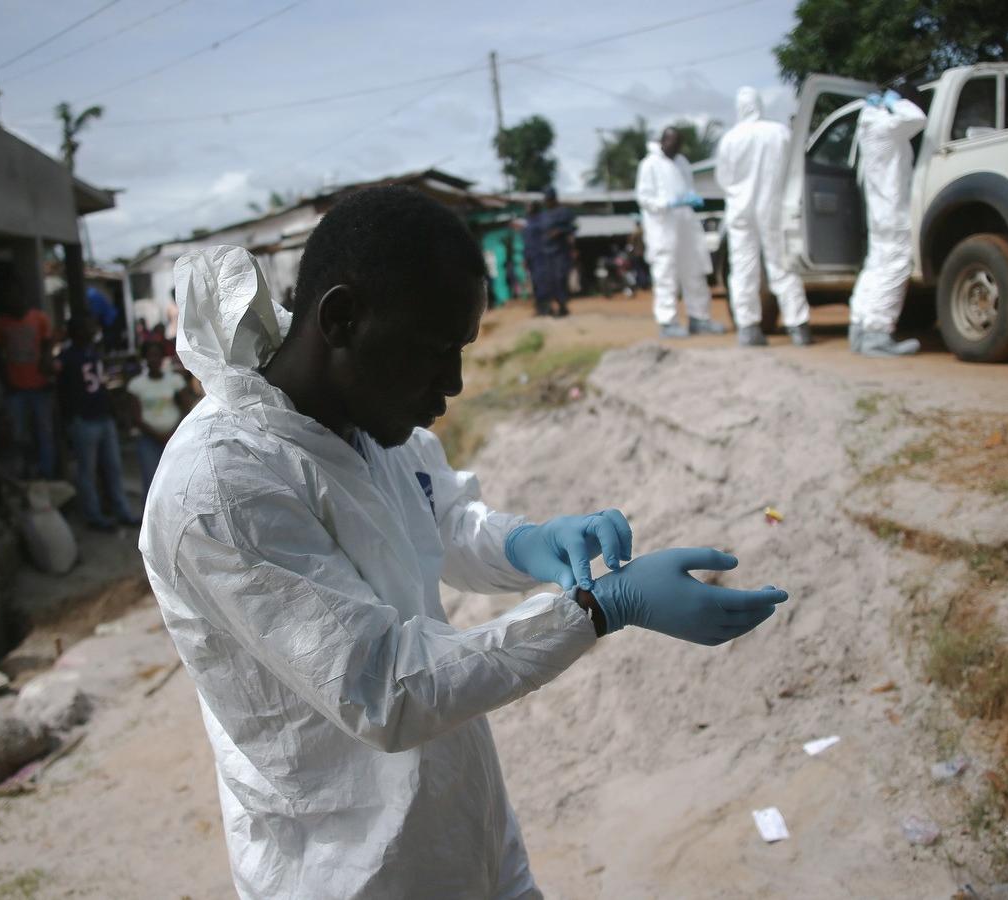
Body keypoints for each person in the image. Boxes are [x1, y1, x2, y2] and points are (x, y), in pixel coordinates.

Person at [141, 186, 788, 898]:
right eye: (434, 350)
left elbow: (443, 521)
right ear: (342, 319)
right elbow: (384, 687)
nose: (451, 383)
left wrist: (531, 543)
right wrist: (601, 608)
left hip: (461, 827)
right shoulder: (223, 489)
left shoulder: (362, 419)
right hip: (348, 869)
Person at [715, 87, 813, 347]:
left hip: (740, 211)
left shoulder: (730, 139)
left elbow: (723, 179)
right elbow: (793, 167)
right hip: (772, 207)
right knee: (781, 265)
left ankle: (748, 328)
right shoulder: (779, 132)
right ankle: (798, 327)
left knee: (743, 269)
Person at [849, 89, 927, 357]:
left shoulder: (867, 125)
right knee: (895, 267)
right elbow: (918, 118)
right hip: (893, 210)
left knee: (875, 267)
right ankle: (878, 335)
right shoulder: (887, 124)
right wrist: (898, 103)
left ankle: (859, 328)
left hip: (879, 212)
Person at [635, 126, 725, 338]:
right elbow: (644, 198)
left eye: (678, 144)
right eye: (671, 143)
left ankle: (699, 318)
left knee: (695, 272)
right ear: (663, 141)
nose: (674, 147)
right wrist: (669, 203)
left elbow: (687, 189)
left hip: (686, 227)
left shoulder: (682, 162)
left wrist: (689, 199)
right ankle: (668, 322)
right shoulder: (650, 164)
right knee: (665, 275)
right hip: (663, 229)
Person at [59, 315, 139, 531]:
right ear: (76, 332)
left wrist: (113, 411)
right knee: (88, 471)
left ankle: (121, 511)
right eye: (86, 327)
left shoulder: (93, 354)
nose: (92, 330)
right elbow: (63, 393)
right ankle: (94, 516)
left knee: (113, 468)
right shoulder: (67, 357)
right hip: (84, 421)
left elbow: (102, 386)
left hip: (103, 418)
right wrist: (71, 420)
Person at [0, 284, 57, 477]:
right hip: (15, 389)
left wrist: (46, 367)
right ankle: (23, 474)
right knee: (18, 435)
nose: (15, 300)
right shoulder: (0, 324)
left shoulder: (39, 319)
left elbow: (48, 346)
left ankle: (47, 474)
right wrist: (5, 383)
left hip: (39, 387)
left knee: (45, 434)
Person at [124, 340, 186, 499]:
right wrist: (158, 436)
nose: (154, 359)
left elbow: (185, 408)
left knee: (176, 479)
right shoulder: (136, 384)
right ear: (145, 358)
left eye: (157, 356)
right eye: (150, 356)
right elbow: (136, 417)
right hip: (148, 440)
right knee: (151, 481)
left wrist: (171, 434)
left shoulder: (175, 381)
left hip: (173, 438)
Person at [536, 186, 577, 317]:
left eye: (549, 199)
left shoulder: (564, 212)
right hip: (546, 253)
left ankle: (563, 306)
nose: (547, 202)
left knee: (560, 278)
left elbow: (573, 227)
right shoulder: (543, 215)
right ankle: (552, 306)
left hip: (560, 252)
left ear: (554, 199)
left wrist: (560, 231)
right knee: (549, 280)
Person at [520, 197, 550, 316]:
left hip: (541, 256)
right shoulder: (529, 221)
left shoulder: (542, 220)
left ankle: (545, 308)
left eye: (529, 206)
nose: (527, 208)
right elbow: (527, 243)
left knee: (542, 282)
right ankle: (540, 308)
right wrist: (525, 258)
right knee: (536, 283)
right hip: (532, 257)